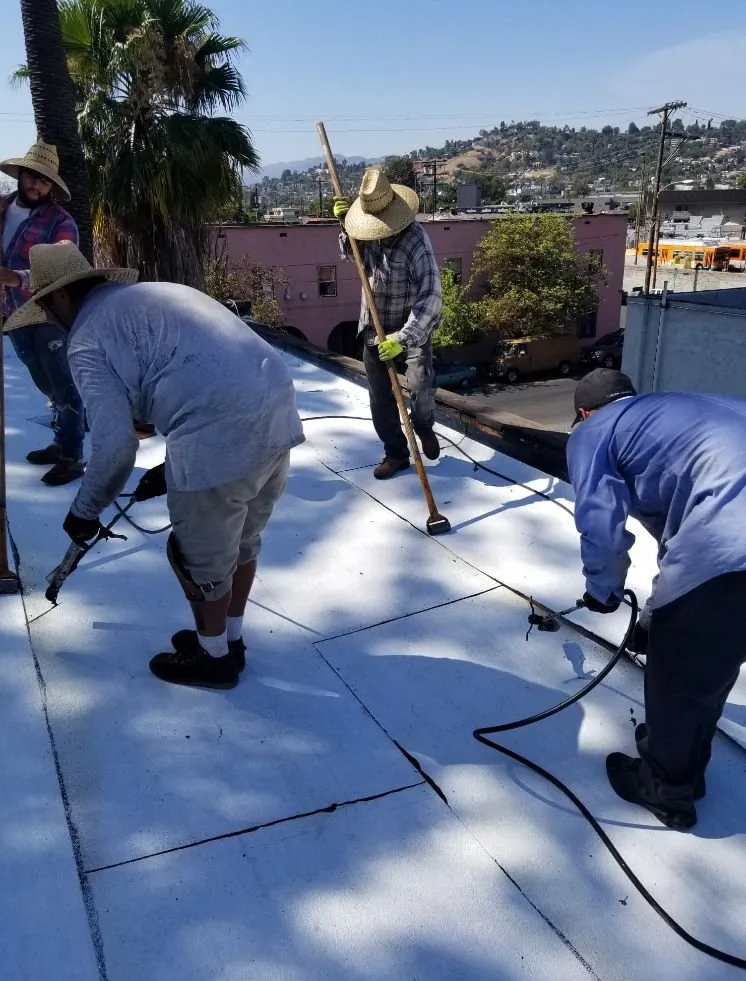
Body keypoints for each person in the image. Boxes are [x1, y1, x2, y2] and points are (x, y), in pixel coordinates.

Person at [6, 241, 304, 690]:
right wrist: (173, 467)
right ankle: (230, 639)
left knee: (195, 560)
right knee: (243, 539)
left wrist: (84, 512)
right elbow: (200, 375)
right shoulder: (155, 294)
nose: (50, 318)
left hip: (221, 432)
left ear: (62, 296)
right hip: (278, 412)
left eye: (46, 307)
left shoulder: (87, 340)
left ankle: (215, 659)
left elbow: (115, 447)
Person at [567, 368, 746, 829]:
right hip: (732, 540)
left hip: (733, 545)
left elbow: (601, 529)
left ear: (585, 413)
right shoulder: (677, 414)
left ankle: (666, 790)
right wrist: (652, 615)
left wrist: (602, 592)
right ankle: (684, 755)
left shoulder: (594, 432)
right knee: (714, 650)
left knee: (680, 664)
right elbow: (679, 539)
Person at [334, 167, 443, 479]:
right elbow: (349, 254)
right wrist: (344, 226)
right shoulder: (365, 232)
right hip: (375, 326)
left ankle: (423, 426)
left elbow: (432, 296)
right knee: (380, 398)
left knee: (421, 388)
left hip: (411, 329)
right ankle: (396, 453)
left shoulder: (415, 241)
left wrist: (404, 337)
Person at [0, 140, 85, 485]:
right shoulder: (2, 208)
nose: (37, 185)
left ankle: (73, 456)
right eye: (32, 177)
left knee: (64, 385)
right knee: (43, 382)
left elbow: (64, 270)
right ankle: (60, 441)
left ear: (52, 187)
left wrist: (15, 277)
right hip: (14, 312)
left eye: (45, 181)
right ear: (21, 175)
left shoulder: (61, 223)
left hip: (50, 314)